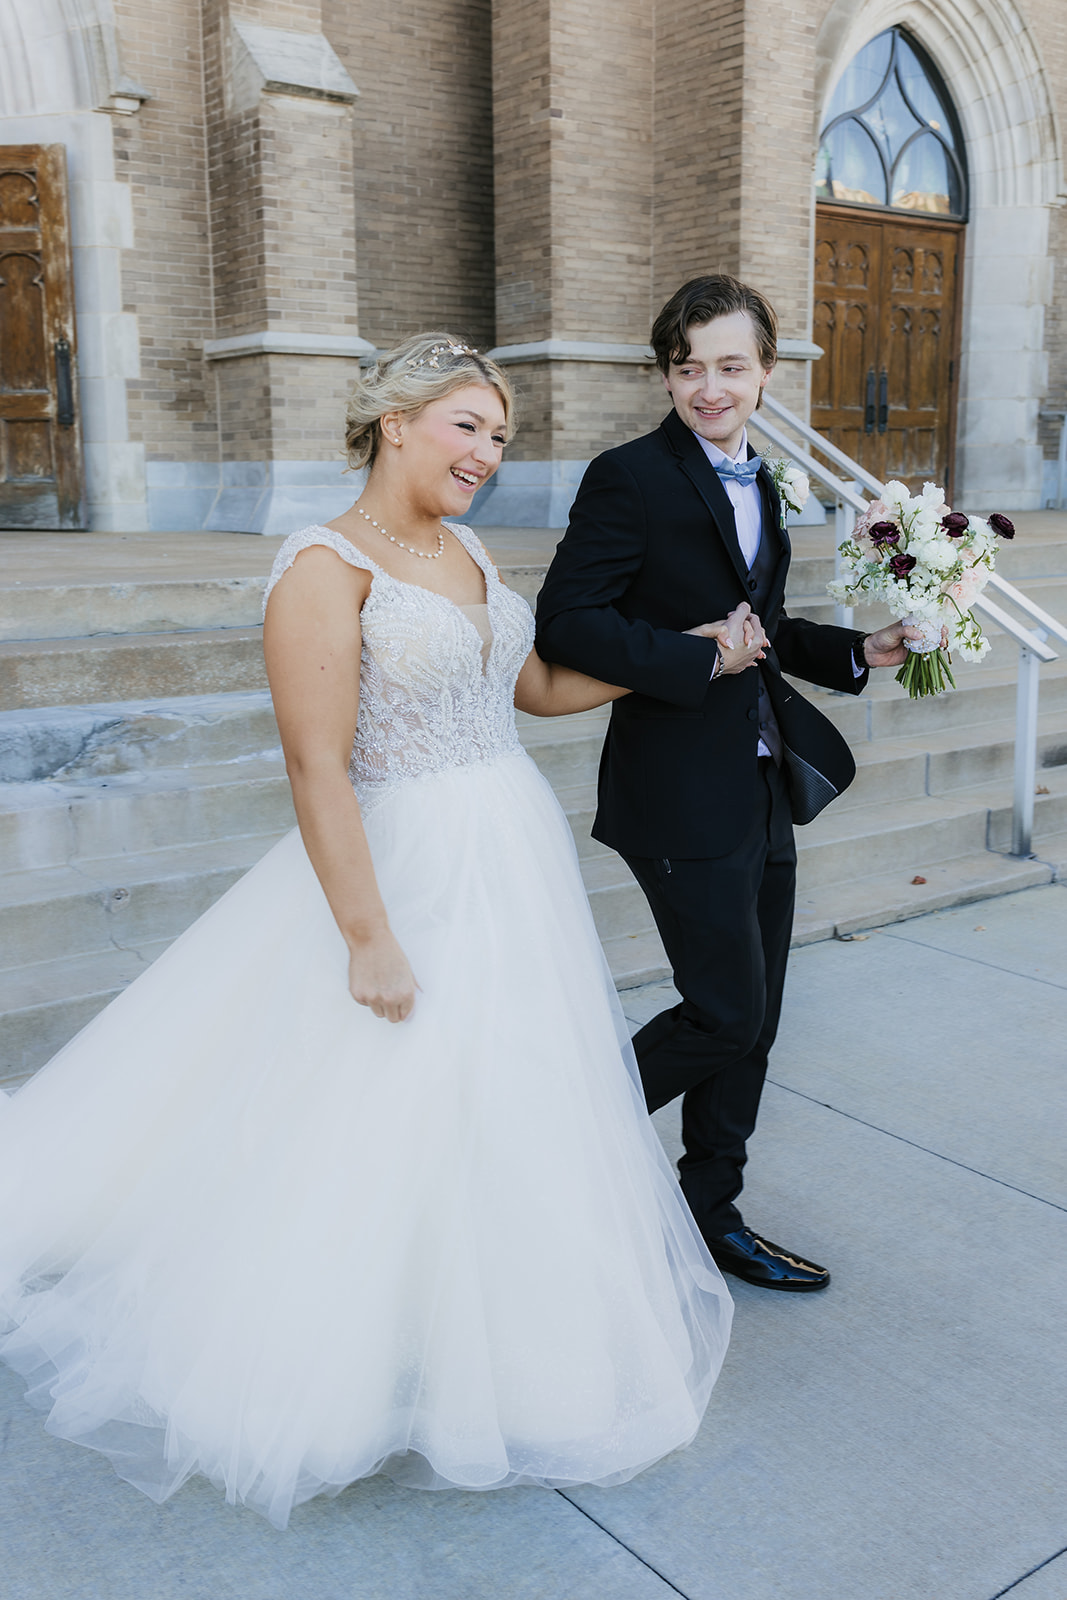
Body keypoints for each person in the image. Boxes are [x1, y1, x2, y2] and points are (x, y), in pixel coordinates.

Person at [0, 333, 733, 1530]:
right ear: (394, 422)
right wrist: (365, 935)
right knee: (384, 1096)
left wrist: (686, 662)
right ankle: (341, 1360)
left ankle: (493, 1334)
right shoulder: (323, 566)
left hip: (508, 851)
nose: (487, 455)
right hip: (403, 865)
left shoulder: (463, 552)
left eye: (498, 437)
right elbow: (314, 764)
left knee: (506, 1092)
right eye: (466, 427)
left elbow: (531, 687)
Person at [536, 276, 922, 1293]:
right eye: (688, 366)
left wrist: (860, 650)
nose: (709, 387)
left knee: (755, 1013)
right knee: (721, 1011)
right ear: (666, 373)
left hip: (759, 783)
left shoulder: (762, 480)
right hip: (675, 789)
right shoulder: (629, 477)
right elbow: (566, 623)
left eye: (730, 365)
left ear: (765, 371)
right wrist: (694, 653)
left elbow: (766, 626)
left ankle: (709, 1210)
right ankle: (553, 1143)